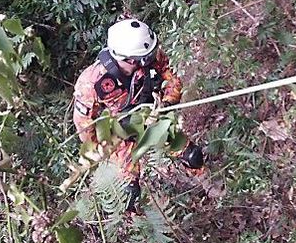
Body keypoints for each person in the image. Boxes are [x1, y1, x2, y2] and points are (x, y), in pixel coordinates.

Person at [72, 18, 204, 212]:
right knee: (128, 193)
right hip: (120, 134)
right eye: (144, 58)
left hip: (151, 118)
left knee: (192, 155)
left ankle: (210, 185)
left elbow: (173, 78)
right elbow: (84, 124)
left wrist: (166, 104)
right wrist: (103, 148)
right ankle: (139, 228)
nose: (151, 58)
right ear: (128, 59)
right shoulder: (92, 82)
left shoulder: (148, 55)